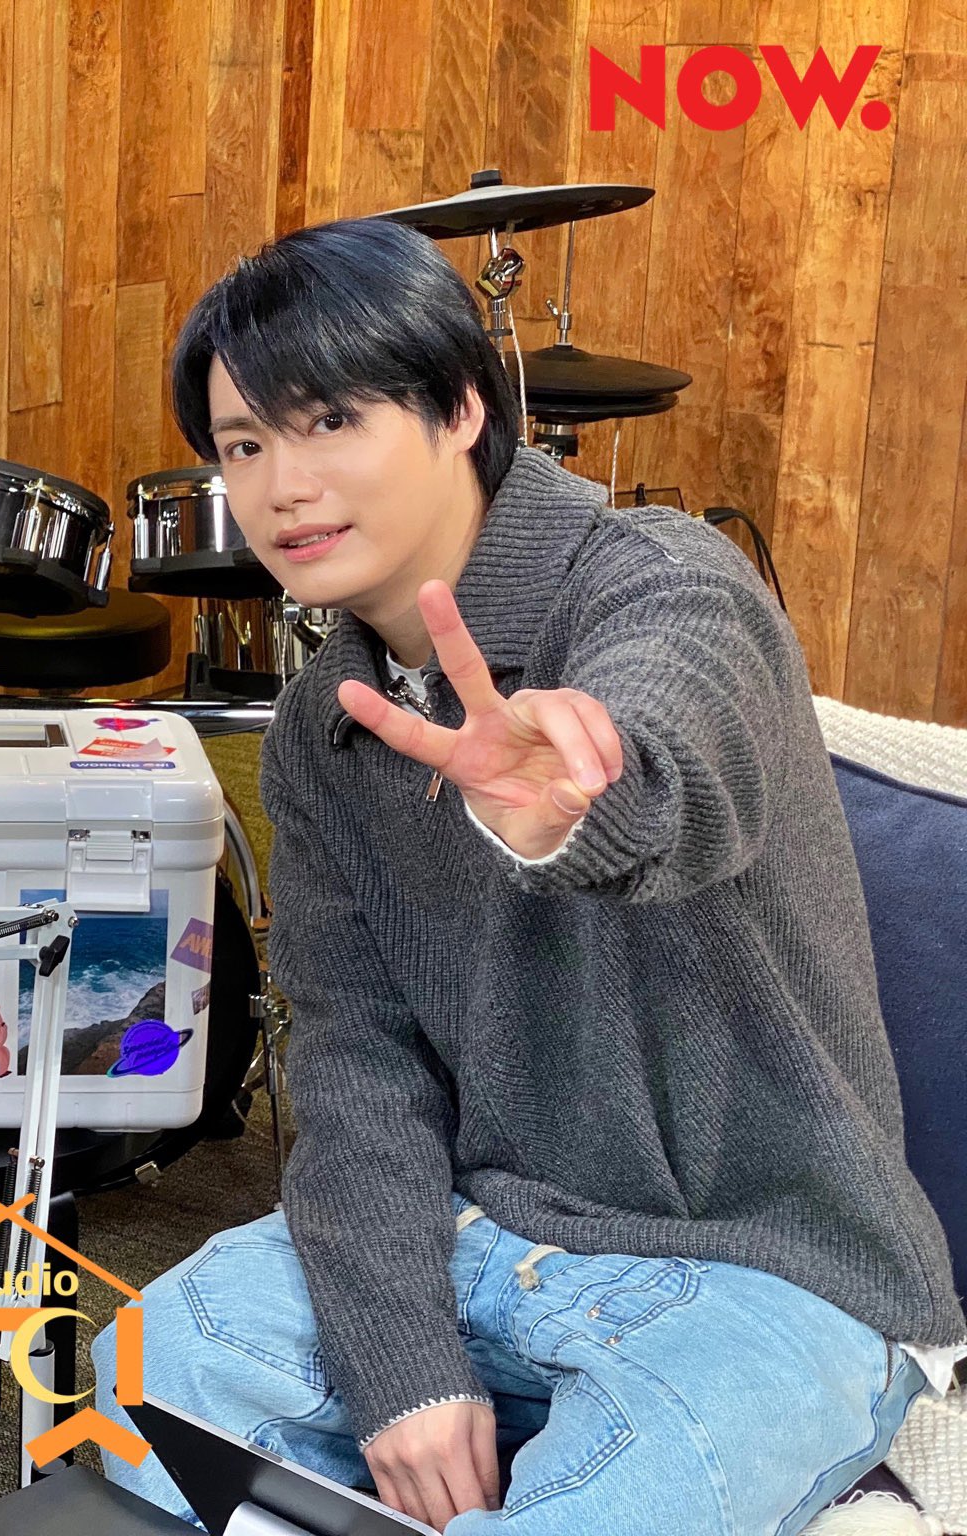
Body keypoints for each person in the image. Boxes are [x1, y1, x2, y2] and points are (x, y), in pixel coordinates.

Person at [90, 219, 964, 1535]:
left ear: (459, 408)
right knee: (145, 1377)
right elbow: (355, 1062)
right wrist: (402, 1370)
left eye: (330, 420)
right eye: (245, 444)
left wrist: (576, 807)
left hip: (767, 1270)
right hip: (485, 1233)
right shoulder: (323, 726)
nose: (283, 485)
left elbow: (677, 743)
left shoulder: (662, 578)